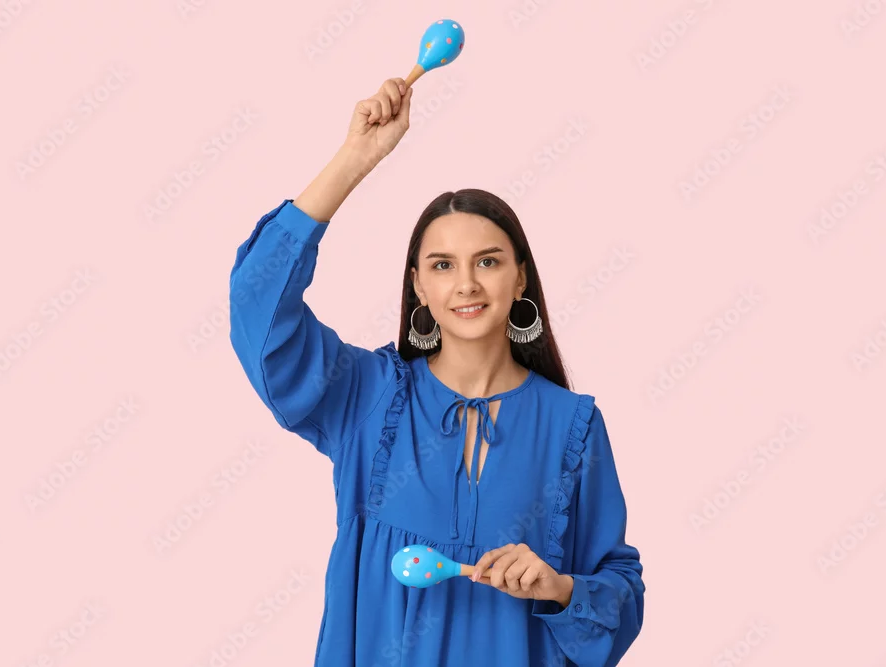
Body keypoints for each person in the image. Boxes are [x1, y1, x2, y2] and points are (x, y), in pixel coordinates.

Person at [228, 77, 645, 666]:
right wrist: (355, 158)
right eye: (443, 265)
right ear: (419, 286)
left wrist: (560, 588)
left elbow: (620, 594)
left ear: (520, 278)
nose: (467, 284)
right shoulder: (368, 397)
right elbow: (258, 305)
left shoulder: (572, 426)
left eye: (488, 262)